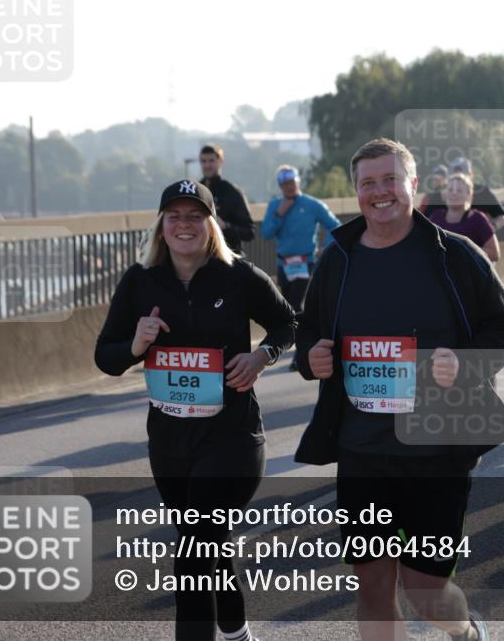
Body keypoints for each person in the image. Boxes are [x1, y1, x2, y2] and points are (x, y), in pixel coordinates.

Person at [294, 137, 504, 641]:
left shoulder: (454, 255)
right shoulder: (338, 258)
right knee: (372, 586)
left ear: (414, 186)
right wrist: (310, 359)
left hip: (436, 448)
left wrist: (465, 363)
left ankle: (463, 632)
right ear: (355, 191)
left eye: (390, 180)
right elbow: (308, 330)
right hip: (362, 450)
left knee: (425, 591)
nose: (380, 192)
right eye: (368, 183)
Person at [95, 179, 296, 641]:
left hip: (234, 437)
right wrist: (135, 343)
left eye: (194, 216)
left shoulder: (239, 275)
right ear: (161, 227)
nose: (184, 225)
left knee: (191, 552)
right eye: (175, 216)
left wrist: (261, 355)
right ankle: (237, 630)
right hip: (170, 446)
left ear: (211, 226)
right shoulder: (139, 282)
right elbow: (105, 357)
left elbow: (290, 321)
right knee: (209, 543)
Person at [261, 166, 341, 368]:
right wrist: (279, 215)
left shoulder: (312, 204)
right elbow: (266, 233)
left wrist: (326, 246)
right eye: (284, 184)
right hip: (284, 264)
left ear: (298, 182)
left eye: (292, 182)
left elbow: (335, 225)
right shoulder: (275, 206)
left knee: (296, 307)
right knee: (287, 309)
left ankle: (300, 356)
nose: (289, 187)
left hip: (305, 262)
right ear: (280, 186)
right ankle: (294, 348)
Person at [427, 172, 500, 261]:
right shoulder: (435, 218)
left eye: (459, 190)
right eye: (450, 190)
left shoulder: (477, 219)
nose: (454, 193)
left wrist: (464, 251)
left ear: (469, 195)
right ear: (444, 195)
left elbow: (495, 254)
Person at [198, 144, 256, 255]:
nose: (207, 165)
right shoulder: (195, 191)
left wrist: (225, 226)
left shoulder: (233, 192)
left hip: (229, 258)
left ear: (221, 162)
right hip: (201, 258)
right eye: (203, 161)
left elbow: (249, 232)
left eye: (211, 161)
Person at [421, 158, 504, 230]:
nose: (460, 178)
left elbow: (501, 216)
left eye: (463, 175)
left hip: (478, 244)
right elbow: (425, 220)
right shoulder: (440, 194)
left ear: (471, 175)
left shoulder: (482, 192)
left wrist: (491, 227)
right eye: (455, 174)